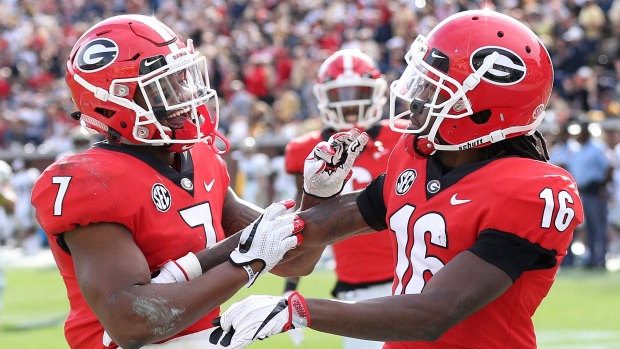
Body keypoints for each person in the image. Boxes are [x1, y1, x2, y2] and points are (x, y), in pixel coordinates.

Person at [209, 10, 585, 349]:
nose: (416, 99)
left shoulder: (535, 191)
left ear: (481, 107)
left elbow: (435, 314)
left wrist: (298, 309)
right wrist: (317, 194)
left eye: (433, 88)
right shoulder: (417, 155)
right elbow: (308, 237)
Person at [30, 14, 305, 349]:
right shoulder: (91, 180)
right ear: (115, 100)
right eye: (164, 86)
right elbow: (132, 323)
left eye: (182, 78)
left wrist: (321, 194)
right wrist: (248, 262)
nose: (185, 94)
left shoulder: (201, 158)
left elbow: (296, 258)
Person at [281, 48, 405, 349]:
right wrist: (290, 285)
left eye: (358, 92)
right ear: (324, 97)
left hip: (411, 284)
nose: (350, 102)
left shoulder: (405, 137)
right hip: (355, 293)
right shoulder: (307, 150)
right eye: (341, 94)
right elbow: (306, 221)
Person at [562, 121, 612, 269]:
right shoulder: (577, 150)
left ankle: (601, 259)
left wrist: (602, 187)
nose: (577, 136)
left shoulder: (597, 148)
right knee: (587, 228)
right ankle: (591, 259)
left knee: (598, 227)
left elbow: (609, 168)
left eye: (580, 133)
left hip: (595, 192)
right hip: (581, 192)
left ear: (586, 132)